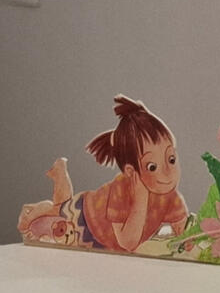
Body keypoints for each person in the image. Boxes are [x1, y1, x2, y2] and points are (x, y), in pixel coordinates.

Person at [17, 96, 189, 252]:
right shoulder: (121, 189)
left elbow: (183, 227)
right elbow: (128, 243)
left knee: (61, 207)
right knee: (59, 208)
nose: (168, 172)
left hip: (104, 245)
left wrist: (188, 239)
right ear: (131, 172)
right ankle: (48, 192)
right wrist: (140, 200)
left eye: (171, 159)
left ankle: (60, 173)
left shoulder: (171, 197)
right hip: (85, 217)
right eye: (152, 167)